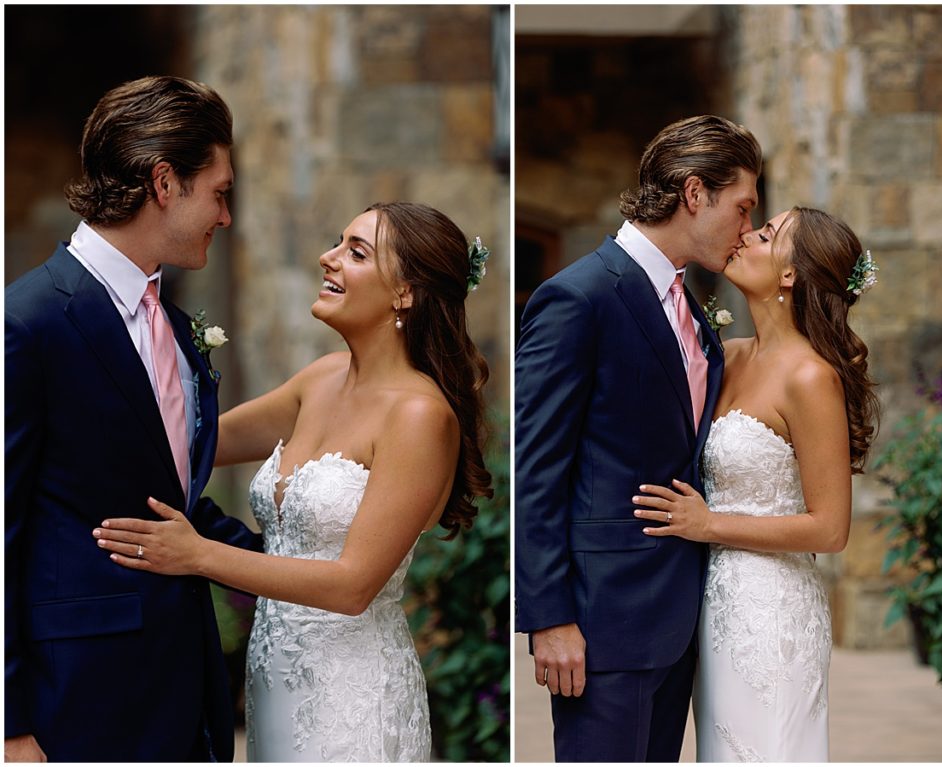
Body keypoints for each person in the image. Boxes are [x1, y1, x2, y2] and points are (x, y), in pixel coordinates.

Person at [94, 202, 494, 761]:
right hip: (273, 681)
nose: (327, 259)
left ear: (406, 293)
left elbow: (353, 586)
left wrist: (198, 554)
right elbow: (189, 443)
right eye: (338, 242)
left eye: (356, 253)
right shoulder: (323, 378)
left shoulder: (419, 417)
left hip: (352, 697)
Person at [5, 76, 262, 761]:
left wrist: (302, 566)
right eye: (220, 191)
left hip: (185, 697)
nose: (226, 215)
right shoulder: (26, 322)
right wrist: (10, 726)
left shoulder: (176, 327)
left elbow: (163, 499)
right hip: (74, 709)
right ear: (165, 182)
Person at [514, 115, 762, 761]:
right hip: (599, 626)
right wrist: (549, 617)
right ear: (695, 193)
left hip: (677, 625)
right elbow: (535, 468)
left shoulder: (693, 312)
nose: (746, 226)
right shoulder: (578, 297)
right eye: (743, 206)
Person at [633, 206, 880, 761]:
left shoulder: (810, 376)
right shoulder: (728, 355)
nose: (747, 234)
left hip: (773, 613)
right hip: (713, 605)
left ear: (790, 275)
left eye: (766, 234)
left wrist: (707, 523)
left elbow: (831, 528)